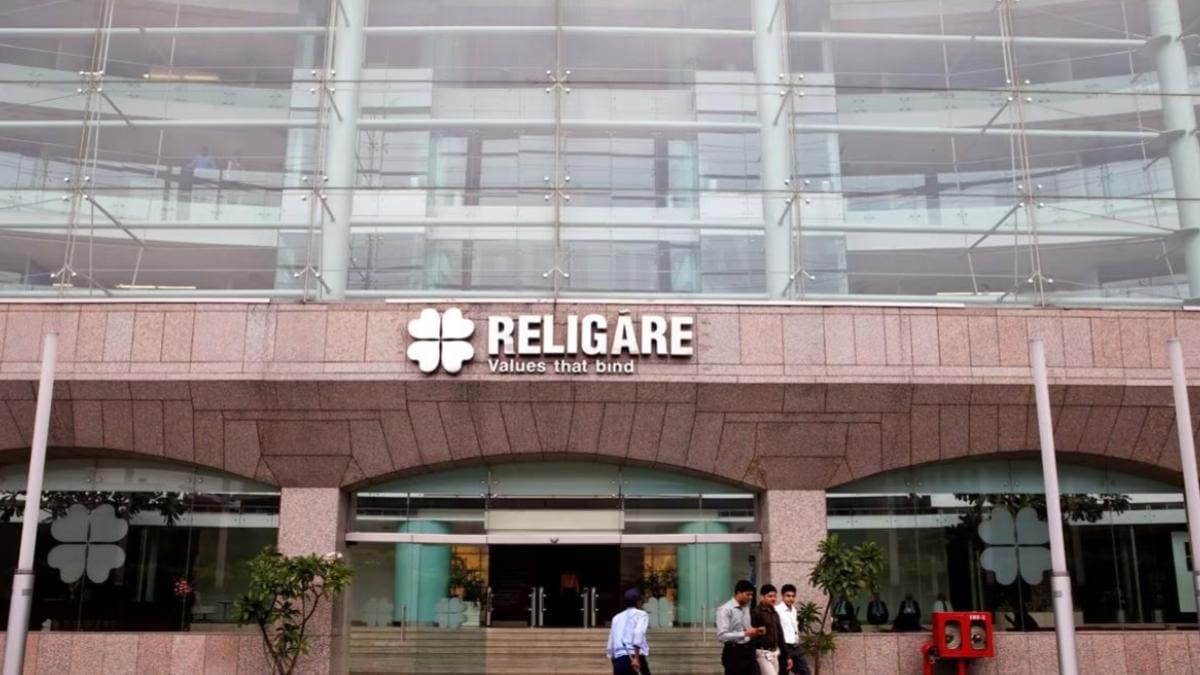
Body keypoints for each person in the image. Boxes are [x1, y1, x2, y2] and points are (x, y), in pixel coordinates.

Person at [716, 579, 761, 675]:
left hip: (748, 651)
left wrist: (754, 631)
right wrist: (744, 633)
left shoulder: (746, 608)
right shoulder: (725, 609)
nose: (750, 598)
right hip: (734, 653)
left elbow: (747, 628)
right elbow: (722, 636)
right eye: (748, 594)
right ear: (738, 593)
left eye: (752, 595)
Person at [607, 588, 650, 675]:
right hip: (635, 657)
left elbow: (611, 641)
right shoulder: (641, 614)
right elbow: (638, 633)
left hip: (619, 659)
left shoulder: (616, 617)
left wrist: (615, 662)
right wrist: (636, 658)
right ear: (638, 602)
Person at [750, 584, 789, 675]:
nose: (773, 599)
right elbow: (751, 635)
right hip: (762, 652)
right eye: (770, 596)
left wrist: (786, 656)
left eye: (775, 596)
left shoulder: (775, 613)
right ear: (762, 597)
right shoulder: (756, 612)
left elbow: (780, 634)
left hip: (775, 652)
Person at [774, 584, 809, 675]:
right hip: (784, 647)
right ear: (782, 596)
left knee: (805, 672)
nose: (791, 598)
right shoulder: (777, 610)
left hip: (795, 647)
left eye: (793, 596)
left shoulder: (794, 610)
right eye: (788, 596)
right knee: (783, 672)